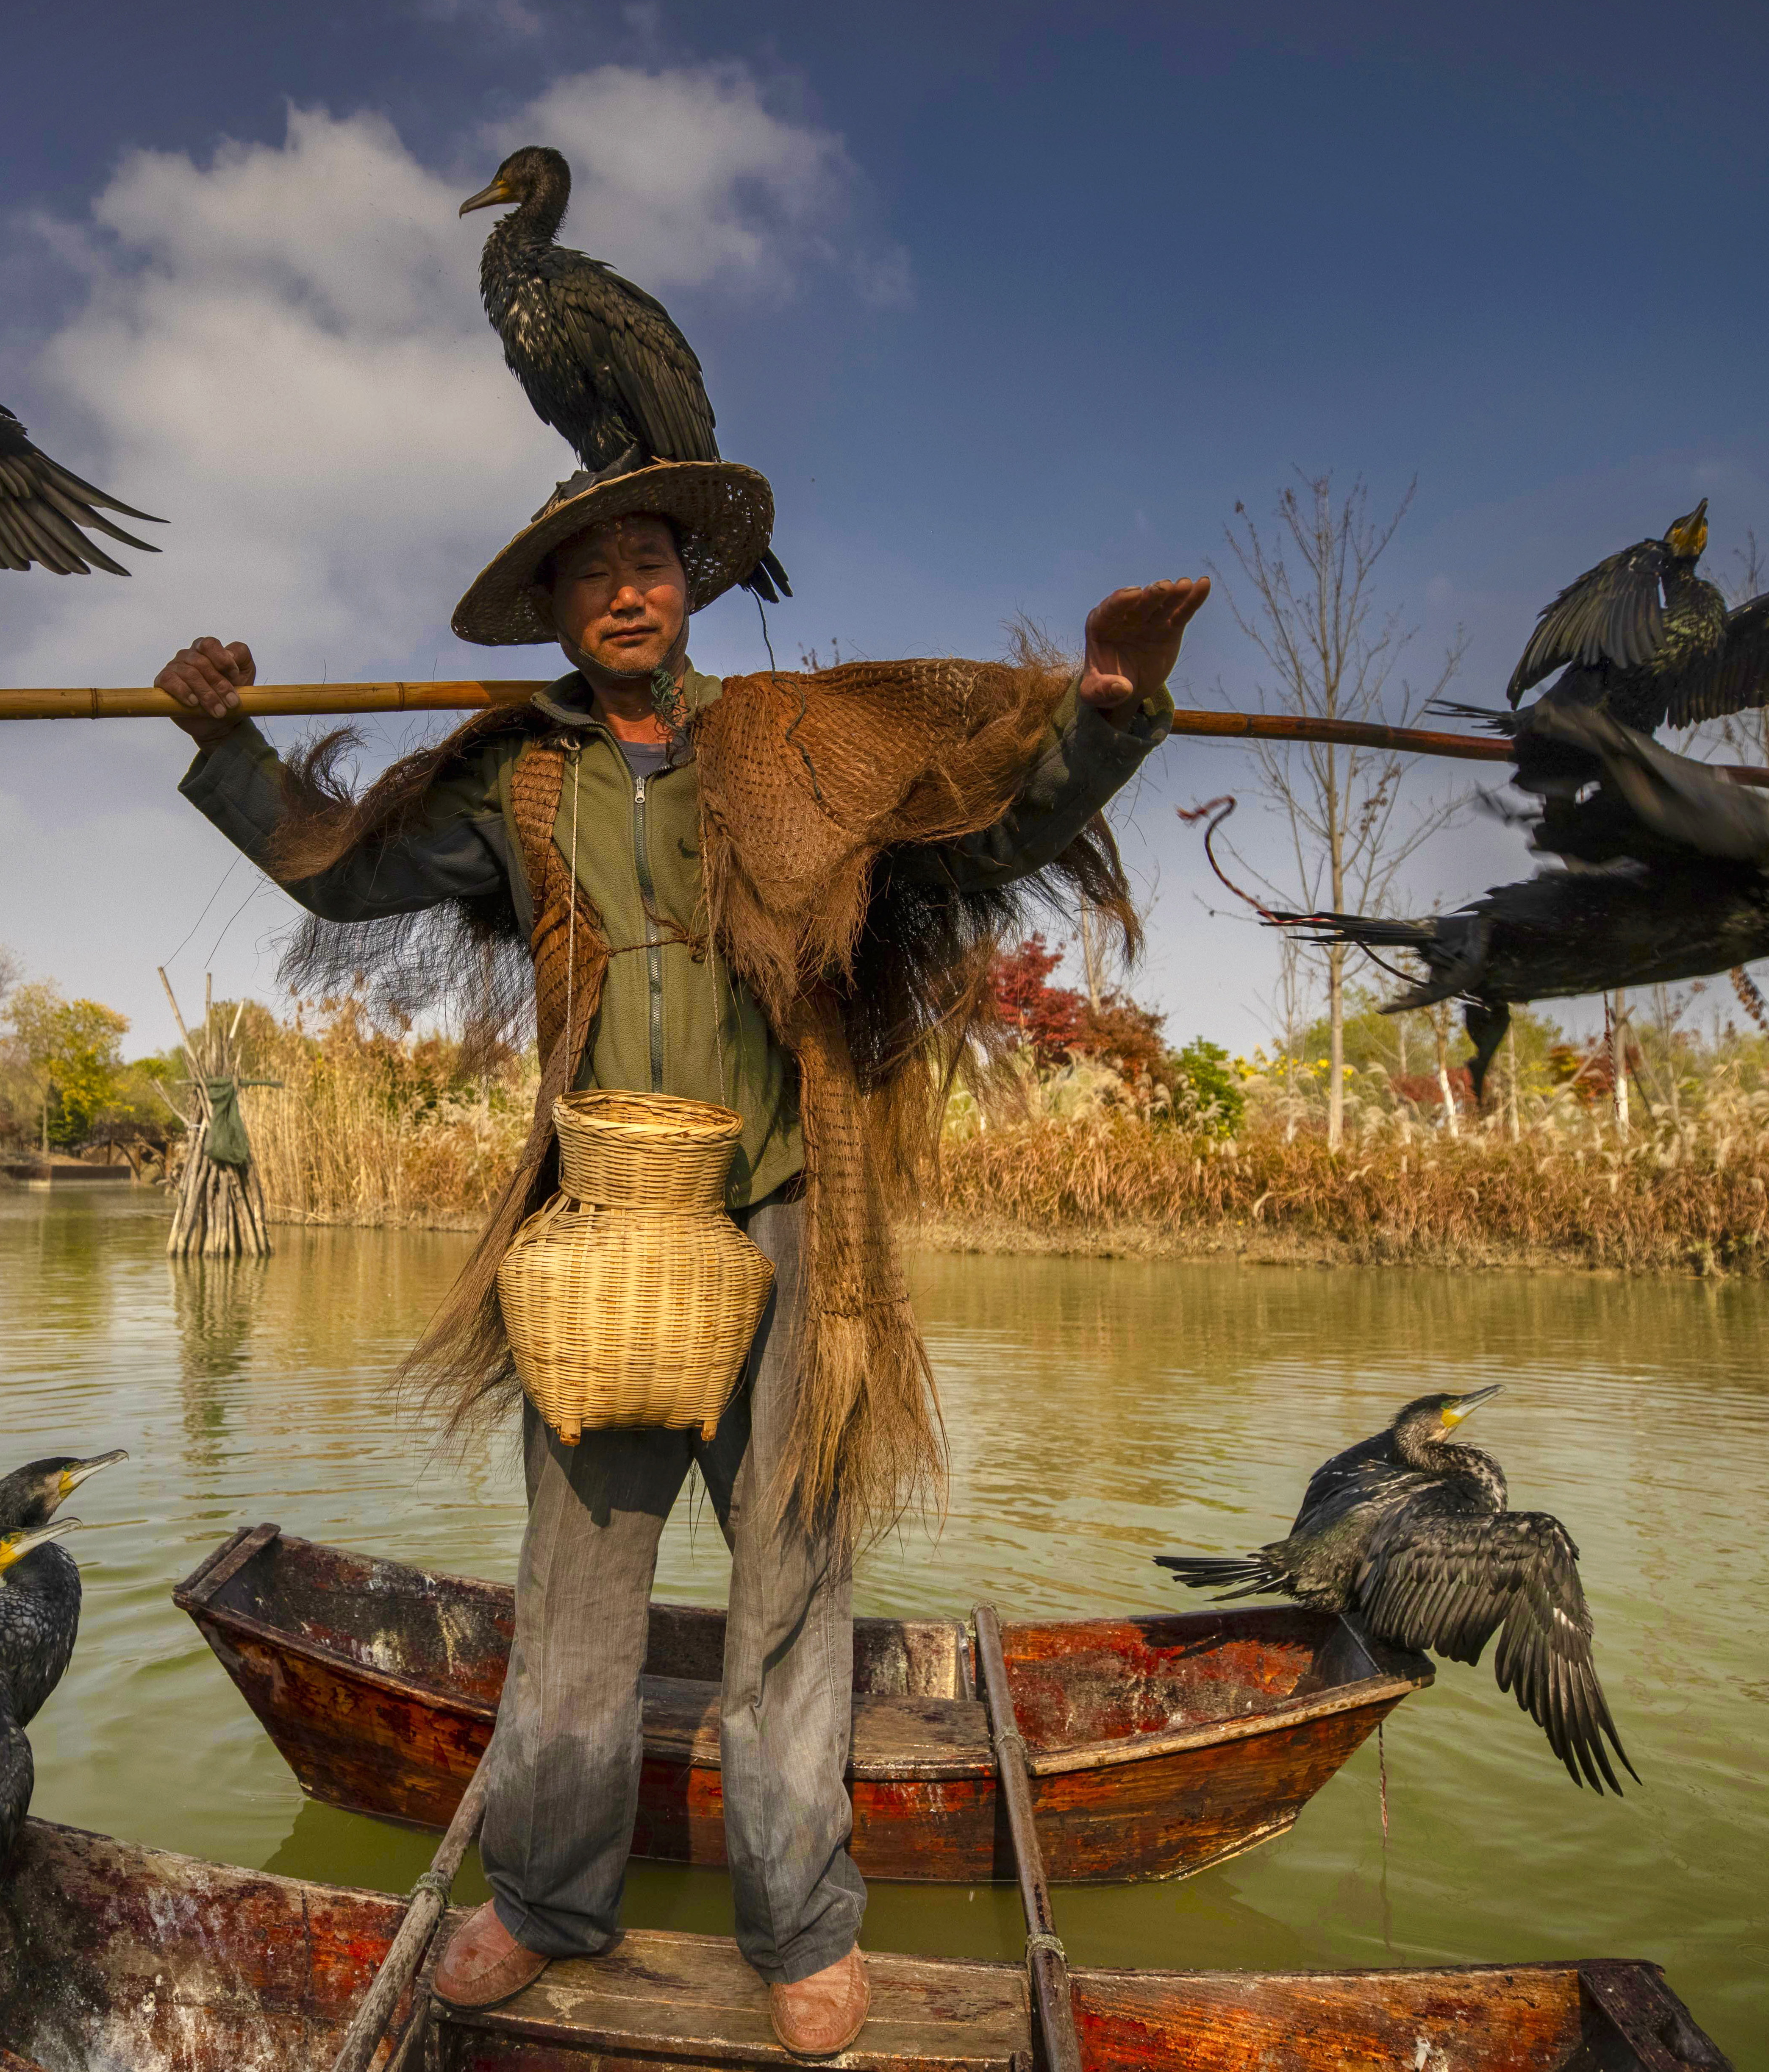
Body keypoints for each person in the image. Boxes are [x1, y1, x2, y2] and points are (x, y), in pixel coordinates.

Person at [159, 462, 1204, 2057]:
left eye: (651, 563)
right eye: (594, 577)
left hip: (789, 1218)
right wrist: (225, 748)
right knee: (576, 1596)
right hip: (600, 1244)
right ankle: (550, 1898)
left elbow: (989, 827)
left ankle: (803, 1926)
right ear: (559, 617)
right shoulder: (519, 781)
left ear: (689, 589)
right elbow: (347, 866)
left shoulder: (793, 740)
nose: (629, 591)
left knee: (792, 1587)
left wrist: (1113, 710)